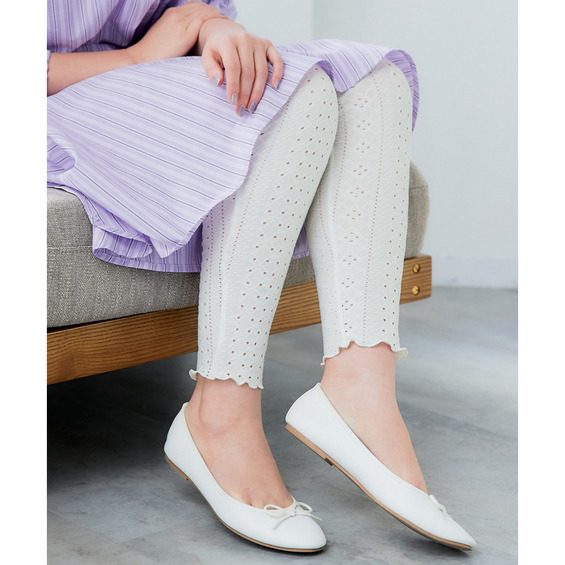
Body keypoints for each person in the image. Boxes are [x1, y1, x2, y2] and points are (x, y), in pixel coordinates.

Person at [47, 0, 476, 553]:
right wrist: (134, 57)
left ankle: (361, 389)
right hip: (55, 98)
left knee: (373, 79)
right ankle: (218, 416)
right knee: (292, 98)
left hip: (149, 77)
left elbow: (186, 11)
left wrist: (212, 26)